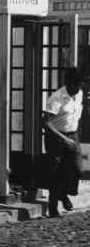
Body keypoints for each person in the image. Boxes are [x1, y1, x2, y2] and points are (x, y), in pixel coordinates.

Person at [42, 67, 84, 218]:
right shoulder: (57, 97)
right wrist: (63, 138)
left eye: (81, 86)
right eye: (78, 85)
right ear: (70, 84)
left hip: (73, 135)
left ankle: (63, 193)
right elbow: (45, 122)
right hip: (56, 138)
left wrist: (71, 137)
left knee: (77, 169)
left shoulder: (79, 95)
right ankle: (53, 210)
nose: (80, 89)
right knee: (56, 173)